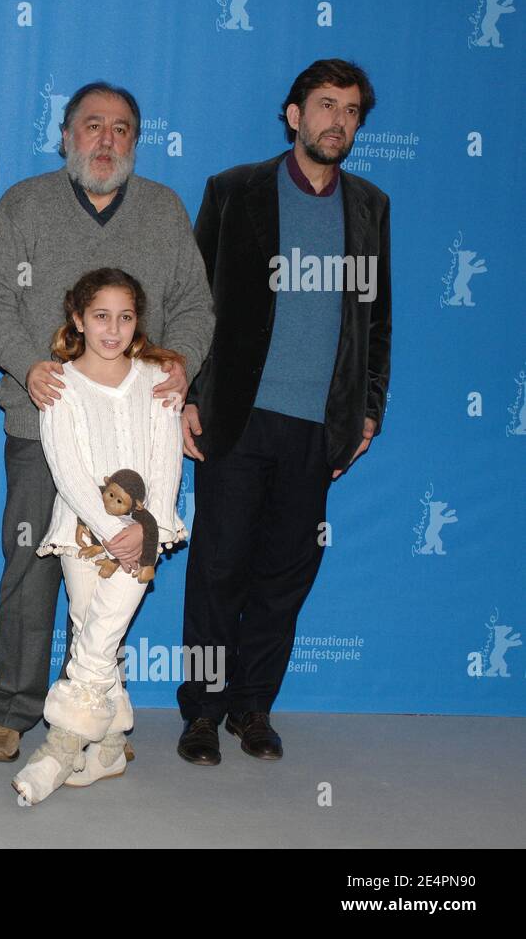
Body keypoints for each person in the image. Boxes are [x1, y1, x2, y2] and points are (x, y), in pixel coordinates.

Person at [0, 80, 214, 763]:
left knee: (115, 572)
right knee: (32, 563)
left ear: (136, 141)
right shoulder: (27, 203)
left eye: (121, 129)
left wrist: (181, 365)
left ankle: (97, 707)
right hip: (40, 417)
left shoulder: (164, 211)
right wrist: (28, 366)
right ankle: (13, 708)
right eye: (92, 125)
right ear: (66, 135)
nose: (106, 140)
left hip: (134, 434)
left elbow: (195, 306)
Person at [176, 58, 391, 765]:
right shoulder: (235, 191)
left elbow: (376, 321)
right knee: (217, 570)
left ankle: (252, 708)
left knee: (284, 577)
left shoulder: (369, 207)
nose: (339, 120)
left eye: (352, 110)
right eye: (326, 105)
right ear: (294, 115)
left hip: (317, 428)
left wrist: (368, 411)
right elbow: (194, 305)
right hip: (238, 417)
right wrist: (185, 396)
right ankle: (202, 713)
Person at [12, 268, 186, 804]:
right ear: (78, 319)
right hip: (82, 534)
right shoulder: (58, 386)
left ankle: (62, 743)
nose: (113, 329)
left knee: (100, 635)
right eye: (101, 316)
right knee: (91, 625)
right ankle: (108, 746)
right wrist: (113, 530)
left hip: (146, 534)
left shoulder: (157, 380)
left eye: (126, 317)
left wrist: (141, 529)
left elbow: (166, 462)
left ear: (139, 323)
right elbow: (66, 469)